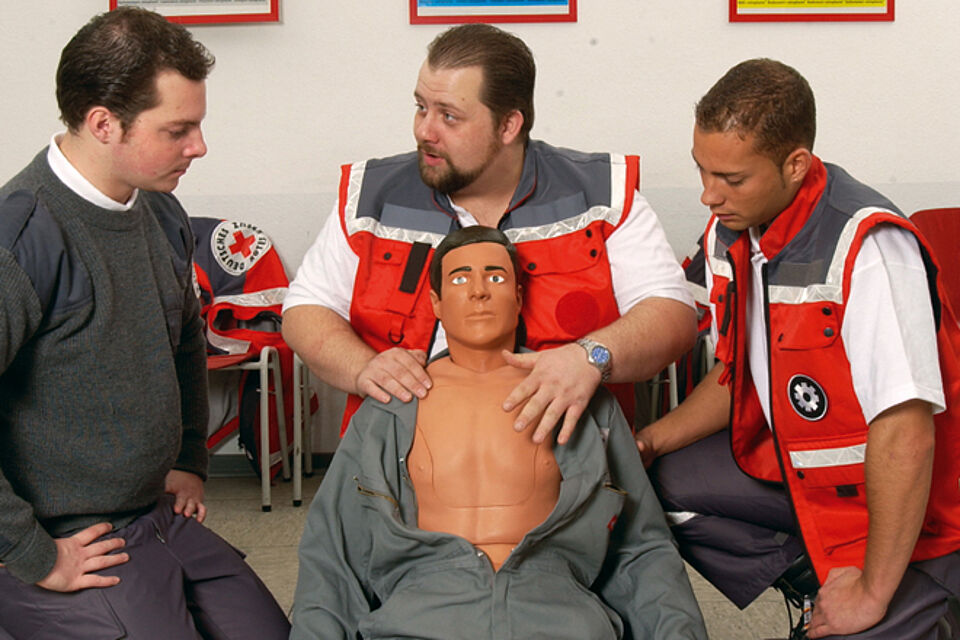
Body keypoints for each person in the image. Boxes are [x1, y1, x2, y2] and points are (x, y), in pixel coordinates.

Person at [635, 58, 960, 639]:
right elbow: (738, 376)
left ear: (795, 165)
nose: (708, 195)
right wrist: (651, 441)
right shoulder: (730, 232)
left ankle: (902, 595)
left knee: (866, 613)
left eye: (732, 179)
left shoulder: (870, 248)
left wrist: (871, 593)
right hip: (810, 484)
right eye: (701, 170)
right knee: (661, 480)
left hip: (916, 510)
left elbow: (906, 436)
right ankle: (828, 589)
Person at [0, 9, 290, 638]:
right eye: (178, 130)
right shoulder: (21, 237)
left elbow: (185, 340)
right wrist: (28, 552)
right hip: (64, 535)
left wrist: (188, 457)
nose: (199, 146)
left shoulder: (160, 210)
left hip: (152, 510)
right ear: (103, 123)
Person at [282, 23, 696, 443]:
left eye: (449, 116)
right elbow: (306, 309)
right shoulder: (371, 195)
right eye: (421, 107)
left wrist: (591, 357)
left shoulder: (601, 194)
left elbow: (672, 315)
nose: (424, 130)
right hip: (398, 459)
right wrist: (362, 367)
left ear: (508, 125)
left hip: (565, 458)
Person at [290, 226, 708, 639]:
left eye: (495, 277)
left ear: (519, 298)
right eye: (460, 279)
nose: (478, 292)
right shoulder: (390, 405)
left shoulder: (580, 400)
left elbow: (642, 546)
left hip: (558, 616)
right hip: (421, 616)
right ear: (436, 303)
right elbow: (332, 554)